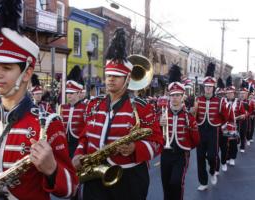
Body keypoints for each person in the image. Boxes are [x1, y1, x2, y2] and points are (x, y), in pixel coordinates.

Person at [0, 0, 77, 199]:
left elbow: (71, 187)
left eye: (7, 68)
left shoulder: (47, 124)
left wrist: (52, 169)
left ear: (27, 73)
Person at [72, 28, 163, 200]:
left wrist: (136, 148)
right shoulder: (93, 104)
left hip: (129, 179)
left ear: (127, 79)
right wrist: (77, 154)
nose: (110, 79)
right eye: (108, 75)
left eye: (116, 76)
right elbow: (84, 137)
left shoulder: (143, 107)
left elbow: (157, 142)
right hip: (95, 177)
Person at [159, 64, 200, 200]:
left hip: (181, 155)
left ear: (183, 96)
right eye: (173, 95)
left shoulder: (189, 117)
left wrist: (186, 147)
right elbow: (155, 137)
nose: (175, 98)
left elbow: (196, 141)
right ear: (169, 96)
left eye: (178, 95)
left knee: (176, 183)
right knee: (166, 185)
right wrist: (160, 126)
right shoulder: (162, 115)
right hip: (165, 154)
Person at [194, 62, 230, 191]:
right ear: (204, 87)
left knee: (212, 155)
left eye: (210, 87)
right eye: (206, 87)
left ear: (213, 87)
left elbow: (226, 116)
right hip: (200, 131)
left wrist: (222, 125)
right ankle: (203, 182)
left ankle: (213, 170)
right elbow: (194, 116)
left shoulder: (219, 101)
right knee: (199, 158)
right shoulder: (198, 100)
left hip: (213, 131)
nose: (208, 89)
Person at [59, 65, 86, 158]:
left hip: (79, 145)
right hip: (65, 145)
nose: (69, 96)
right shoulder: (62, 107)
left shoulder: (85, 108)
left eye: (71, 93)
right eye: (67, 93)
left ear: (78, 93)